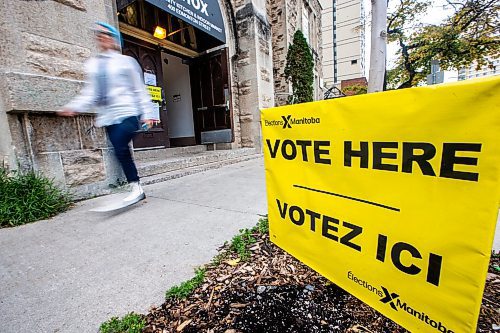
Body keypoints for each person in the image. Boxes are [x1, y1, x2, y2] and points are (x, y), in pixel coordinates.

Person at [59, 22, 157, 205]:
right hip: (108, 117)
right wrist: (74, 107)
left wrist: (148, 113)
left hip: (128, 112)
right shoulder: (93, 65)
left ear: (114, 40)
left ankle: (135, 187)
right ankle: (136, 186)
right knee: (121, 151)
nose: (102, 37)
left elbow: (140, 90)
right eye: (99, 35)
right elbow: (91, 93)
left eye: (107, 35)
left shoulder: (127, 62)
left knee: (120, 145)